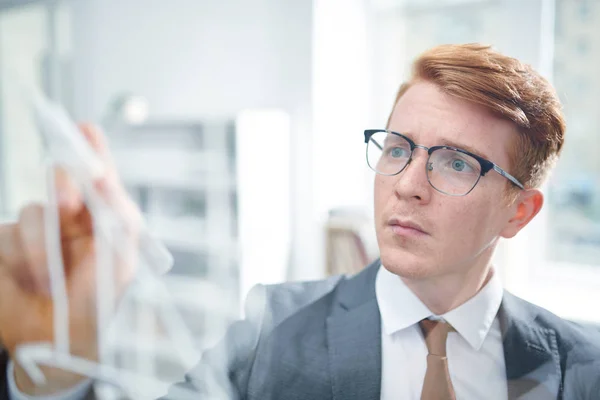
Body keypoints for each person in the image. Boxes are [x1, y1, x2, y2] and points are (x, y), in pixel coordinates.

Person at [1, 43, 600, 400]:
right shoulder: (270, 330)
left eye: (454, 162)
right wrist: (56, 371)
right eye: (398, 149)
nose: (408, 185)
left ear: (519, 211)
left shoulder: (584, 367)